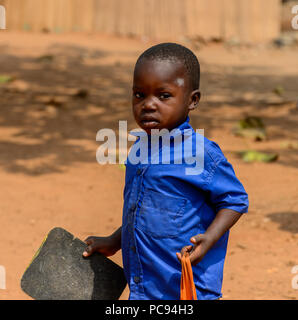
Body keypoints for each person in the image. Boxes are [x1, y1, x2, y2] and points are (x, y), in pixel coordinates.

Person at [83, 43, 248, 300]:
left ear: (192, 100)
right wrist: (115, 241)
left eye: (164, 96)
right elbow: (143, 210)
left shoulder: (200, 153)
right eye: (139, 95)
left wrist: (209, 238)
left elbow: (235, 200)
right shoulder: (140, 150)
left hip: (186, 286)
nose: (148, 105)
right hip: (145, 285)